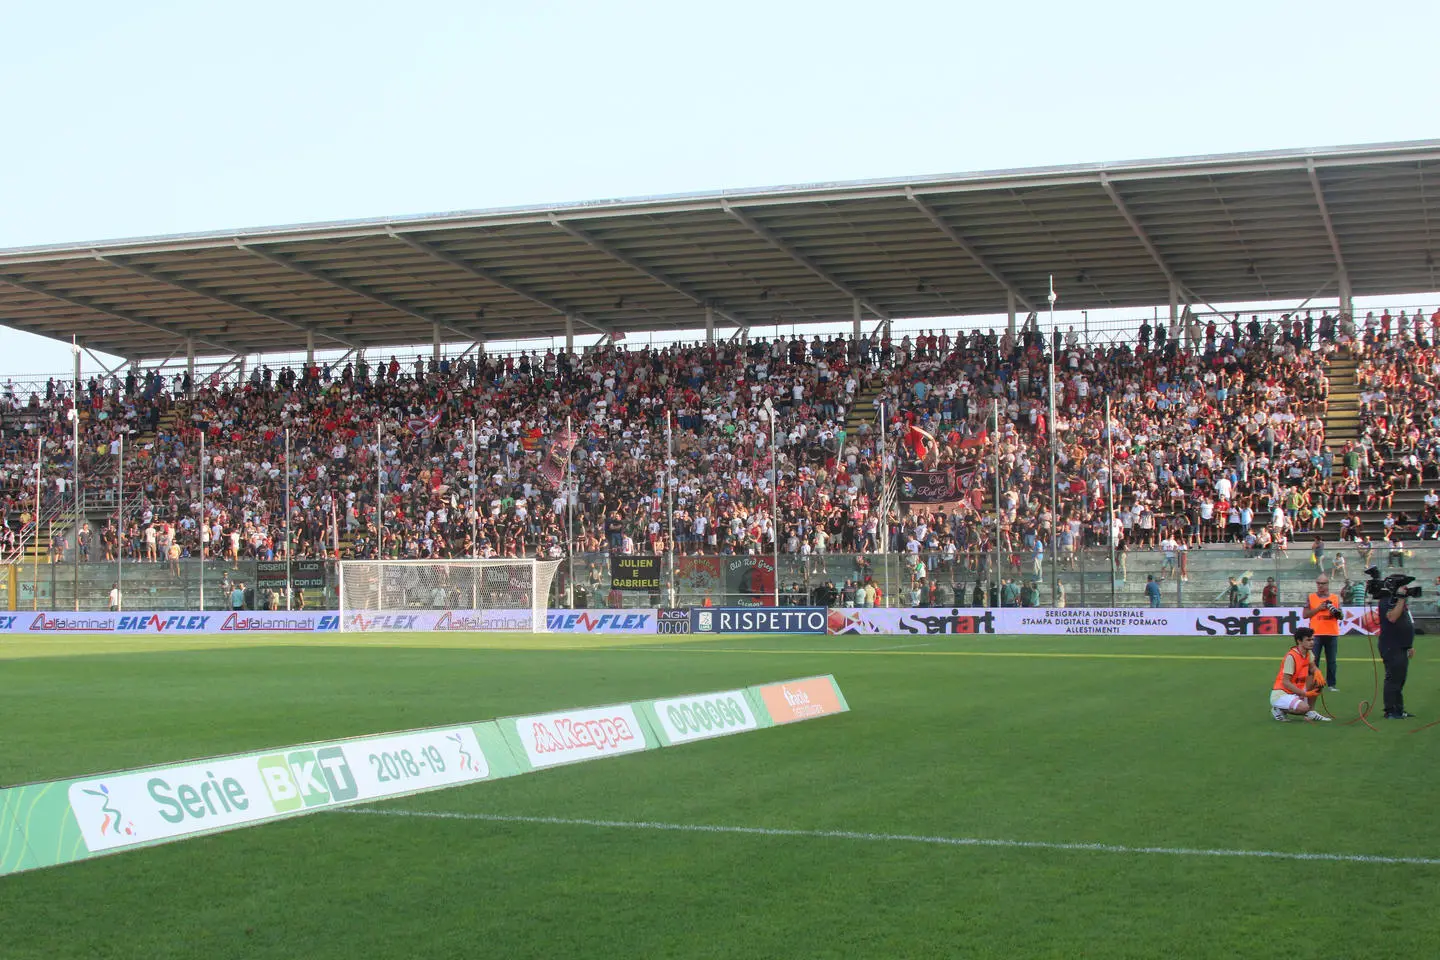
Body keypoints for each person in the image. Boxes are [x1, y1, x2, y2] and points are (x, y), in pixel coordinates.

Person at [1270, 627, 1332, 722]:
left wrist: (1317, 672)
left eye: (1312, 639)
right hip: (1282, 693)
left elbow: (1312, 666)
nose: (1312, 642)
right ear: (1299, 641)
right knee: (1304, 708)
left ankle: (1311, 712)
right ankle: (1278, 709)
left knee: (1317, 681)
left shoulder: (1308, 652)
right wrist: (1304, 693)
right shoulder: (1291, 656)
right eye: (1308, 640)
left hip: (1296, 689)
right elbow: (1286, 682)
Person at [1377, 582, 1417, 720]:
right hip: (1391, 645)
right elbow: (1392, 617)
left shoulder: (1398, 602)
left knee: (1399, 679)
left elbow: (1404, 623)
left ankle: (1398, 709)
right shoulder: (1386, 601)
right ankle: (1390, 710)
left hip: (1401, 645)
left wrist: (1409, 645)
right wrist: (1401, 598)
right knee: (1393, 678)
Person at [1302, 574, 1342, 692]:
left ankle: (1331, 684)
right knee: (1314, 660)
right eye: (1318, 583)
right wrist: (1319, 608)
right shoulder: (1311, 597)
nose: (1320, 586)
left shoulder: (1335, 598)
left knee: (1332, 661)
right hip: (1316, 634)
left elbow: (1341, 615)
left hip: (1332, 633)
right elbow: (1305, 615)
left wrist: (1336, 612)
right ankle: (1315, 683)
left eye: (1323, 583)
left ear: (1327, 584)